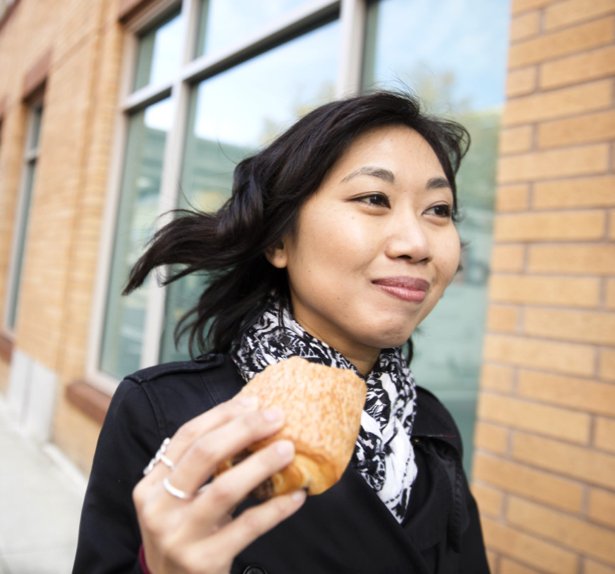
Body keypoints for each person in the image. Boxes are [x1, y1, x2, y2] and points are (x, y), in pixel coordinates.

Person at [73, 90, 490, 574]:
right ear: (278, 240)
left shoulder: (430, 427)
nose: (418, 243)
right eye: (374, 199)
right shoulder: (166, 413)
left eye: (438, 210)